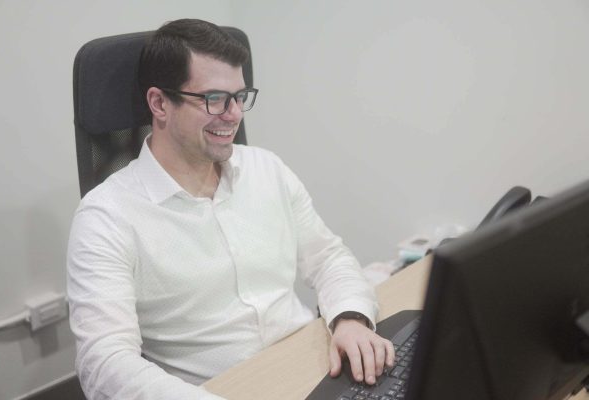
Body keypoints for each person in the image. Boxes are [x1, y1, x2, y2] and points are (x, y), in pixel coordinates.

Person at [67, 18, 393, 400]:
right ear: (159, 103)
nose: (235, 114)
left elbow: (328, 258)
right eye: (214, 99)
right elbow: (104, 363)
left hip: (318, 370)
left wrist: (350, 318)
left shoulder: (265, 168)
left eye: (240, 96)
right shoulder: (107, 217)